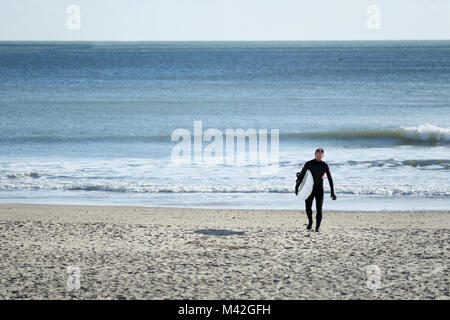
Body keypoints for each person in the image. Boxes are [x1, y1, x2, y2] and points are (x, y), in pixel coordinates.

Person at [295, 148, 336, 232]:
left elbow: (330, 178)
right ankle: (310, 222)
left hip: (319, 189)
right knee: (308, 208)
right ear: (315, 154)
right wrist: (297, 187)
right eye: (317, 154)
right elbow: (302, 175)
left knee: (319, 208)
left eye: (321, 154)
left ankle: (317, 227)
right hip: (308, 188)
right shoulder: (309, 163)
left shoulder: (324, 165)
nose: (319, 155)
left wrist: (332, 191)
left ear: (323, 156)